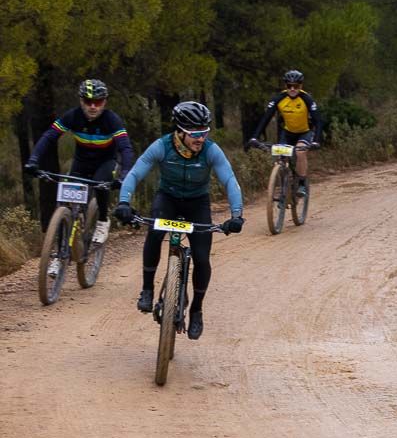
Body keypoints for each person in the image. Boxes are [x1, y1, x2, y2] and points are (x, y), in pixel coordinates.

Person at [113, 102, 243, 340]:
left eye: (205, 132)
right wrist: (124, 203)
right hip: (168, 198)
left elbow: (229, 180)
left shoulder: (211, 151)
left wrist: (236, 215)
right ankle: (147, 289)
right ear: (180, 131)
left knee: (202, 257)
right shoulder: (161, 146)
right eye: (195, 133)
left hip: (197, 203)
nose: (201, 138)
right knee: (153, 233)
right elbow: (135, 173)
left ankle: (196, 309)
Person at [24, 79, 134, 252]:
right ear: (81, 101)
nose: (93, 107)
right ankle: (59, 252)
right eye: (88, 102)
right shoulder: (72, 116)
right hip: (81, 162)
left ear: (104, 102)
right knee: (63, 203)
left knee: (100, 183)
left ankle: (102, 220)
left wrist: (124, 174)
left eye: (97, 102)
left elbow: (125, 148)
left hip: (106, 162)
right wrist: (33, 160)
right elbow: (49, 136)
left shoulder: (112, 120)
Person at [247, 70, 322, 197]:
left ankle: (302, 183)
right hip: (287, 133)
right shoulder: (279, 98)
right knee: (280, 155)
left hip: (304, 132)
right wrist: (255, 137)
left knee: (300, 152)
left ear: (301, 86)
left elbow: (318, 121)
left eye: (296, 86)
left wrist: (317, 140)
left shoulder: (306, 99)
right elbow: (266, 118)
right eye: (289, 86)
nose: (292, 89)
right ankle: (284, 186)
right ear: (285, 86)